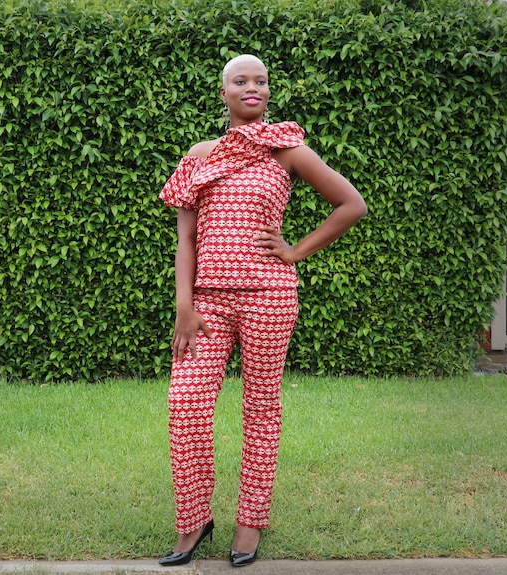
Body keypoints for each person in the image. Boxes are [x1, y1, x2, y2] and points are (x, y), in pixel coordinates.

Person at [157, 54, 366, 567]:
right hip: (206, 301)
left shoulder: (287, 149)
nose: (252, 86)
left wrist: (294, 250)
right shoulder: (200, 154)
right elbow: (187, 238)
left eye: (261, 80)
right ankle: (193, 522)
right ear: (223, 91)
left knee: (262, 406)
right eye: (240, 80)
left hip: (269, 296)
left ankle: (250, 523)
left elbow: (351, 205)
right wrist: (184, 306)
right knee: (185, 405)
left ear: (268, 92)